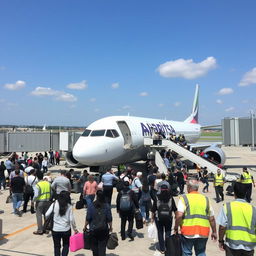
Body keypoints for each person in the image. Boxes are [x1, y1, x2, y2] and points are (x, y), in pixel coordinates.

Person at [174, 178, 217, 256]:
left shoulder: (184, 198)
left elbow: (179, 215)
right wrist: (214, 231)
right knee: (201, 252)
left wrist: (176, 227)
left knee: (187, 252)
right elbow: (212, 218)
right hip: (203, 232)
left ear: (189, 188)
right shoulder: (205, 199)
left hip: (188, 232)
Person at [217, 182, 256, 256]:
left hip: (232, 246)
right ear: (246, 193)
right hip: (249, 247)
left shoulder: (227, 207)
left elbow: (222, 227)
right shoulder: (253, 209)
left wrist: (221, 241)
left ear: (234, 193)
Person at [46, 191, 78, 256]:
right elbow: (71, 219)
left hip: (55, 229)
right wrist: (75, 229)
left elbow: (47, 214)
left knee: (57, 246)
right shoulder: (69, 206)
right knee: (66, 245)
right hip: (66, 229)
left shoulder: (54, 204)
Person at [84, 190, 112, 256]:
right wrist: (111, 227)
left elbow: (88, 218)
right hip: (103, 229)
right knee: (102, 247)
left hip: (93, 229)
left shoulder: (91, 205)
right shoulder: (106, 206)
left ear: (96, 196)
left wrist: (85, 226)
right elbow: (109, 218)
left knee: (94, 248)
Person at [151, 184, 177, 254]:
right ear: (168, 189)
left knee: (160, 232)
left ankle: (162, 249)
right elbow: (175, 209)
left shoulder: (157, 197)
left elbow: (153, 209)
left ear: (160, 189)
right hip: (168, 218)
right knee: (168, 232)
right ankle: (168, 247)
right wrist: (176, 216)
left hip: (159, 218)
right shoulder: (171, 198)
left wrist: (152, 218)